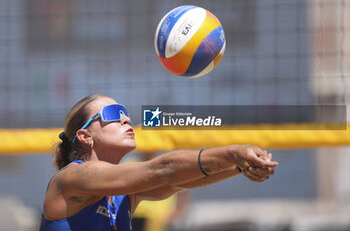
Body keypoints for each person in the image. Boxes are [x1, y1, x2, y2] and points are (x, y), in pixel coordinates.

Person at [39, 94, 278, 231]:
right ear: (85, 136)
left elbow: (179, 181)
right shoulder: (72, 178)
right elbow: (162, 169)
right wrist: (234, 153)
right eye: (113, 113)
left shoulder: (124, 194)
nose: (126, 118)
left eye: (124, 111)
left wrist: (240, 166)